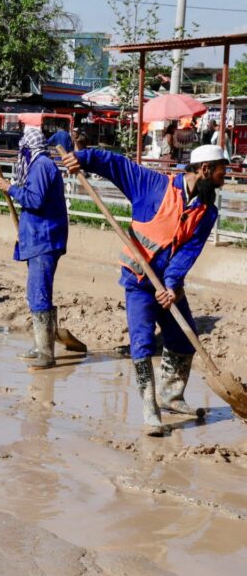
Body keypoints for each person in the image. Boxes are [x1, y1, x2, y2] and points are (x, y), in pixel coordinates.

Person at [59, 144, 228, 435]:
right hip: (139, 280)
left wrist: (172, 286)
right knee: (143, 343)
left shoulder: (206, 210)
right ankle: (150, 408)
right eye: (222, 170)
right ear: (205, 169)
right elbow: (116, 164)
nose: (225, 176)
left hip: (168, 286)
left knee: (183, 339)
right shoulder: (154, 185)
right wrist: (83, 159)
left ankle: (171, 397)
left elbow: (189, 252)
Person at [0, 127, 69, 369]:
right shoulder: (40, 165)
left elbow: (35, 200)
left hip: (44, 238)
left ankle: (46, 353)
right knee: (35, 291)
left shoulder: (42, 166)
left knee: (39, 293)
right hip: (37, 237)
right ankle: (41, 345)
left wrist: (11, 189)